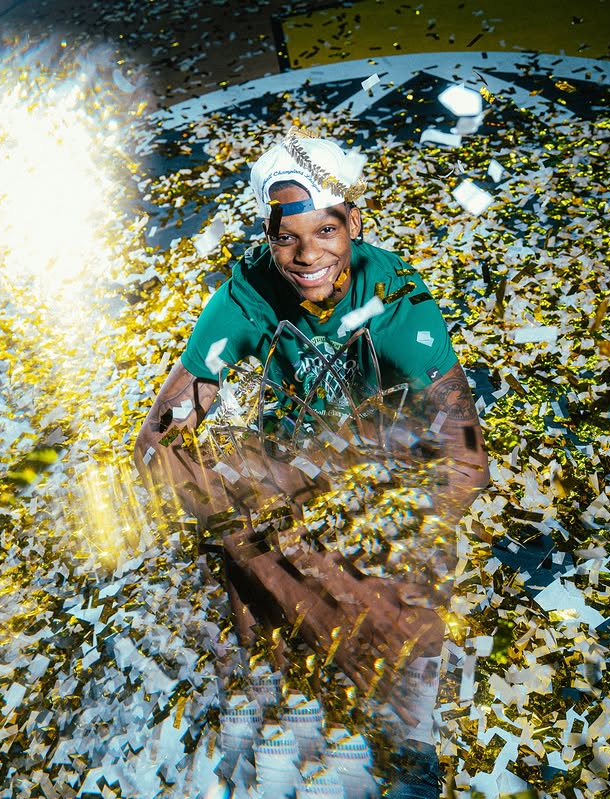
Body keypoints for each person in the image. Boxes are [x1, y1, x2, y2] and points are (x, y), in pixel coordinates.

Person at [134, 126, 490, 797]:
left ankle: (412, 739)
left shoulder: (399, 303)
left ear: (354, 222)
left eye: (325, 230)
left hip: (385, 471)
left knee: (405, 576)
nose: (306, 256)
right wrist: (272, 554)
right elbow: (157, 440)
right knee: (249, 553)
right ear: (267, 236)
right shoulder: (246, 296)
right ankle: (279, 721)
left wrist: (381, 549)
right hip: (290, 474)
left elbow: (467, 458)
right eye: (286, 237)